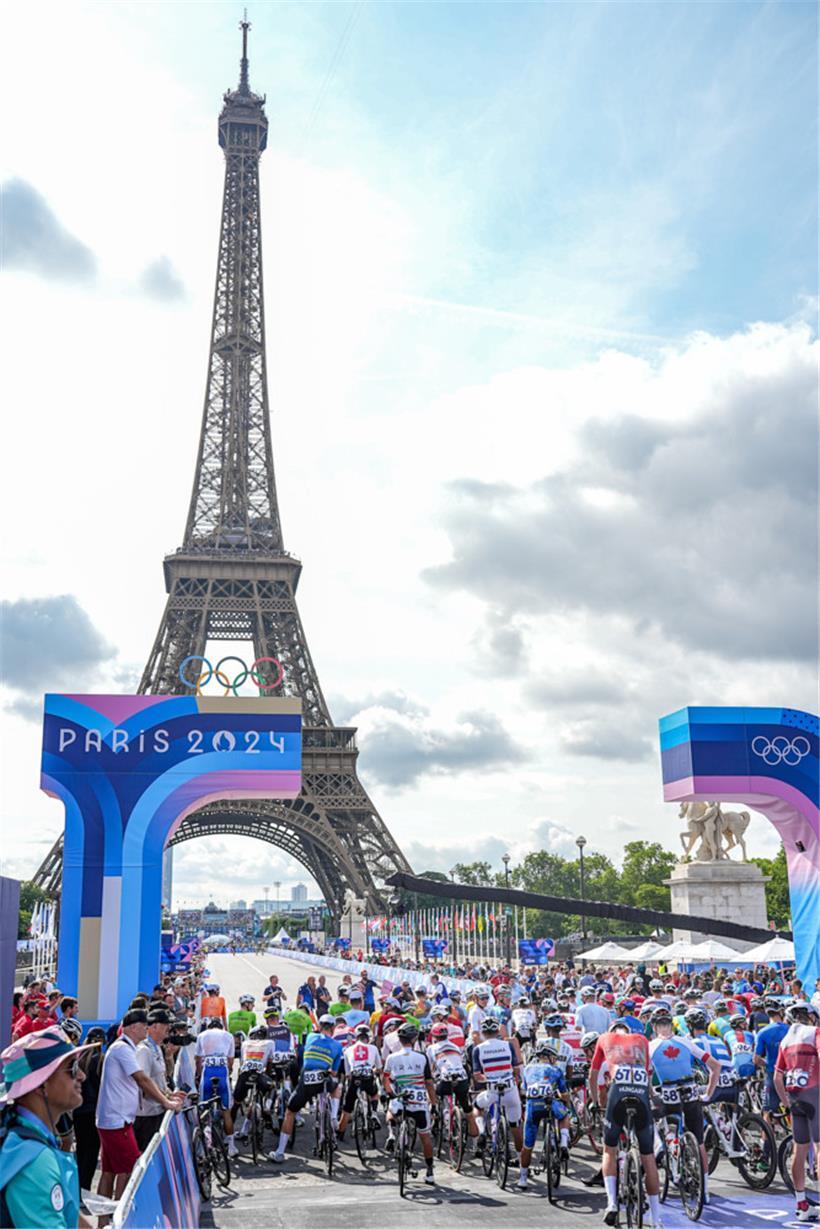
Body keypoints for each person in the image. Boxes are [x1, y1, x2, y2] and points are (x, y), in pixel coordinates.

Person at [0, 1026, 99, 1228]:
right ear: (40, 1085)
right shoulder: (33, 1159)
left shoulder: (24, 1136)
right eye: (72, 1067)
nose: (81, 1076)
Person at [96, 1008, 184, 1207]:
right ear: (133, 1027)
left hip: (115, 1119)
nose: (147, 1029)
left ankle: (104, 1222)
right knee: (130, 1171)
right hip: (118, 1120)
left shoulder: (126, 1048)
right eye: (145, 1025)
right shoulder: (123, 1049)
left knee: (110, 1172)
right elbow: (142, 1079)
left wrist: (167, 1095)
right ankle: (121, 1217)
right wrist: (166, 1101)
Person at [589, 1019, 663, 1228]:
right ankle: (656, 1218)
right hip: (640, 1091)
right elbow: (647, 1076)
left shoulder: (604, 1038)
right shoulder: (642, 1039)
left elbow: (593, 1074)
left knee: (609, 1149)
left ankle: (612, 1204)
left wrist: (594, 1102)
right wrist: (652, 1098)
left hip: (618, 1091)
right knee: (648, 1156)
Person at [649, 1007, 720, 1203]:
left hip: (669, 1095)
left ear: (655, 1027)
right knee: (699, 1142)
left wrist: (651, 1092)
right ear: (671, 1025)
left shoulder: (651, 1046)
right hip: (691, 1092)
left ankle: (667, 1152)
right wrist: (708, 1094)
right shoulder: (685, 1042)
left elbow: (646, 1074)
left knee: (662, 1124)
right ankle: (704, 1190)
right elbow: (716, 1066)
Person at [269, 1015, 343, 1163]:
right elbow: (334, 1072)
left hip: (306, 1080)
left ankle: (280, 1151)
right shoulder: (337, 1045)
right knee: (337, 1087)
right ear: (333, 1028)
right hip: (323, 1080)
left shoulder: (310, 1037)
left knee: (290, 1112)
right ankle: (334, 1117)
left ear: (319, 1027)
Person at [773, 1001, 820, 1223]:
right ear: (811, 1016)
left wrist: (787, 1104)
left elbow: (776, 1078)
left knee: (798, 1151)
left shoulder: (785, 1040)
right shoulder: (815, 1032)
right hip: (815, 1093)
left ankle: (801, 1205)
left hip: (795, 1097)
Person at [383, 1021, 438, 1185]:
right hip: (419, 1102)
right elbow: (429, 1083)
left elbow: (385, 1079)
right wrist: (433, 1104)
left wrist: (391, 1094)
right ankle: (429, 1172)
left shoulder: (392, 1057)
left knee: (391, 1113)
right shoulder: (422, 1057)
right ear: (414, 1039)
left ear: (399, 1040)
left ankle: (393, 1134)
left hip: (400, 1098)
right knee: (425, 1137)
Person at [518, 1037, 571, 1189]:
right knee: (565, 1114)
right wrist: (564, 1099)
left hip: (532, 1106)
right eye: (554, 1057)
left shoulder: (528, 1068)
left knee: (528, 1146)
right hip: (550, 1103)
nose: (555, 1060)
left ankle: (523, 1178)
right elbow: (564, 1094)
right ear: (548, 1056)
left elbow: (524, 1089)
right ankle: (563, 1143)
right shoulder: (556, 1070)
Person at [472, 1017, 524, 1160]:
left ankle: (482, 1131)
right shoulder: (507, 1045)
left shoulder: (478, 1049)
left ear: (482, 1032)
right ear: (497, 1031)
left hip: (492, 1090)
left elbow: (477, 1076)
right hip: (510, 1089)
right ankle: (521, 1162)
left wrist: (489, 1078)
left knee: (476, 1106)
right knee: (516, 1127)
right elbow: (516, 1069)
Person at [194, 1018, 238, 1156]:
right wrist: (229, 1070)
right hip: (222, 1072)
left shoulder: (202, 1035)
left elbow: (198, 1058)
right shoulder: (228, 1035)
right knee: (226, 1111)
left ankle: (203, 1147)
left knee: (203, 1111)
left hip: (207, 1073)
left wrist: (199, 1075)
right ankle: (231, 1147)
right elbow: (231, 1060)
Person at [134, 1009, 174, 1150]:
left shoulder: (156, 1047)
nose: (168, 1029)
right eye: (165, 1025)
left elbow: (160, 1079)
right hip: (146, 1115)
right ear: (154, 1027)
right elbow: (143, 1084)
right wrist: (166, 1099)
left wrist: (170, 1094)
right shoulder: (144, 1050)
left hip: (157, 1111)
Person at [72, 1027, 106, 1191]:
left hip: (79, 1111)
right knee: (91, 1152)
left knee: (81, 1149)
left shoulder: (79, 1059)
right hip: (93, 1111)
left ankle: (77, 1188)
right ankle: (84, 1189)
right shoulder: (100, 1059)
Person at [337, 1024, 382, 1140]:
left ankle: (340, 1133)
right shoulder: (373, 1048)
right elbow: (379, 1068)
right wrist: (372, 1070)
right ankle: (374, 1113)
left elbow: (348, 1074)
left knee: (347, 1107)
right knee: (374, 1093)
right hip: (368, 1076)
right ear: (368, 1037)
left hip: (355, 1078)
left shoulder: (348, 1050)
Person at [754, 998, 790, 1128]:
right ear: (781, 1012)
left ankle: (767, 1143)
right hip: (791, 1072)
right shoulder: (791, 1029)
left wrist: (767, 1064)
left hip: (772, 1072)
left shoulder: (762, 1032)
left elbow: (756, 1059)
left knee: (768, 1111)